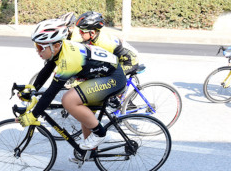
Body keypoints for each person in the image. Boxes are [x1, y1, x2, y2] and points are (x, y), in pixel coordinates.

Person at [18, 19, 127, 150]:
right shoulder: (61, 49)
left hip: (113, 78)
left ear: (56, 45)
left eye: (41, 47)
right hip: (102, 75)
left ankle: (101, 134)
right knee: (84, 117)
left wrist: (33, 115)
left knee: (69, 100)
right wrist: (32, 89)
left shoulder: (69, 59)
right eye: (36, 46)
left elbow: (51, 93)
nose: (37, 51)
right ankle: (89, 153)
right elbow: (46, 70)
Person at [74, 11, 140, 75]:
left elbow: (101, 65)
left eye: (82, 31)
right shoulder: (95, 36)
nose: (79, 33)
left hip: (129, 63)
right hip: (118, 58)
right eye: (79, 30)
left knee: (105, 79)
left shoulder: (104, 44)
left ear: (92, 33)